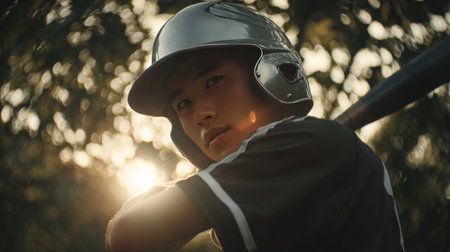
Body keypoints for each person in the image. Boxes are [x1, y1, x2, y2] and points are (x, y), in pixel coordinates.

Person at [105, 2, 405, 251]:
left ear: (269, 72)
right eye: (183, 104)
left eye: (213, 81)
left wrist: (166, 203)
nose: (200, 115)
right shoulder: (295, 166)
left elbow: (127, 232)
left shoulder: (310, 143)